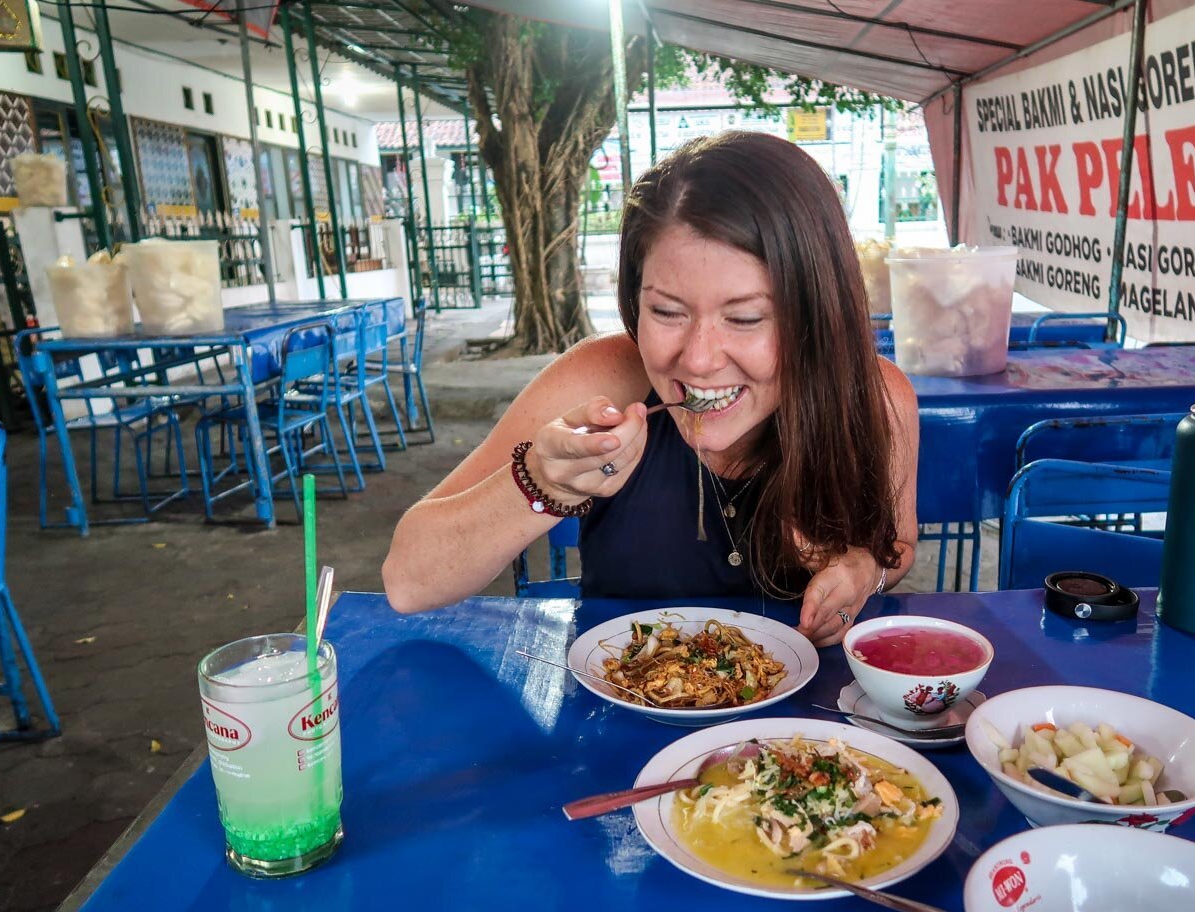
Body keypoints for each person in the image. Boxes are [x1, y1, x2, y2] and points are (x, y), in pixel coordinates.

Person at [383, 131, 918, 648]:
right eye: (666, 311)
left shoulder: (877, 398)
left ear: (817, 315)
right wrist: (540, 484)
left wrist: (865, 568)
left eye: (746, 318)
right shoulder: (603, 379)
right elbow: (409, 582)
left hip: (807, 733)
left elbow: (897, 545)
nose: (699, 359)